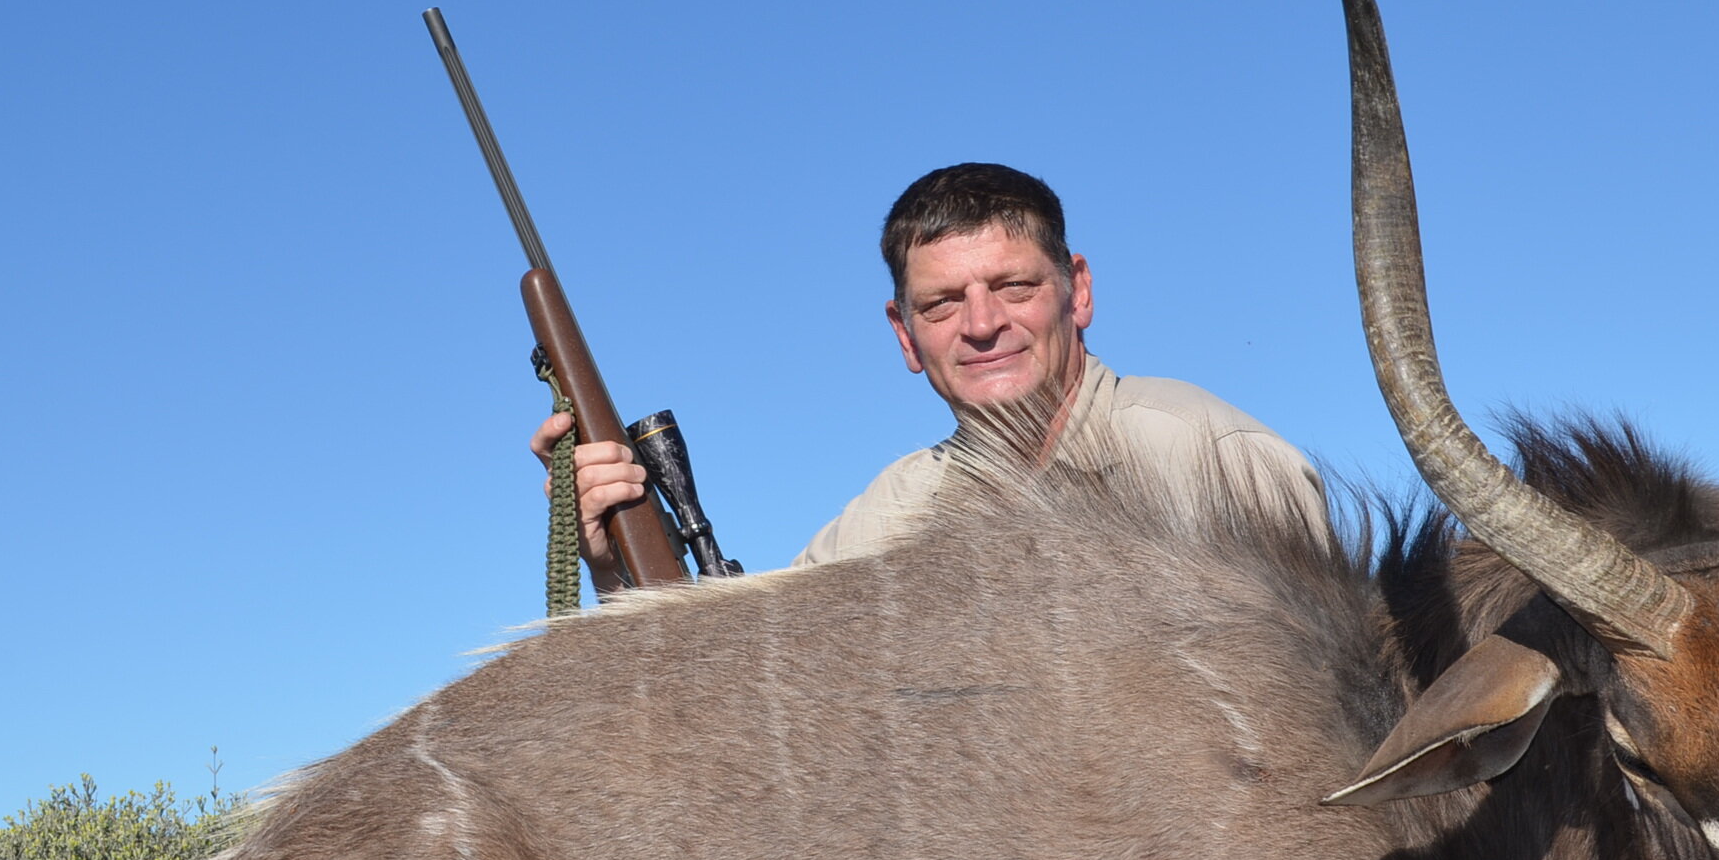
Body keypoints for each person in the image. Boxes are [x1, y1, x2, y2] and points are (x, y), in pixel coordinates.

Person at [529, 162, 1323, 569]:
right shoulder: (888, 515)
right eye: (941, 305)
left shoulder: (1213, 461)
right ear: (904, 336)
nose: (982, 325)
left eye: (1013, 287)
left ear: (1077, 291)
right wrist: (612, 556)